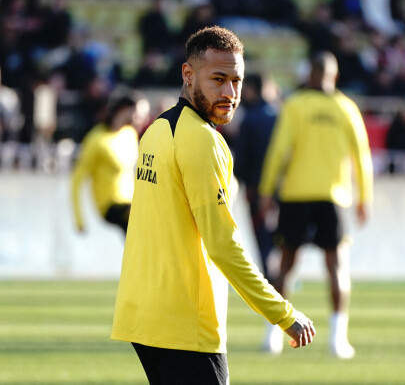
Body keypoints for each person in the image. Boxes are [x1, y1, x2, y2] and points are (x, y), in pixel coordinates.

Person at [111, 26, 316, 385]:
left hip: (143, 317)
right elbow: (223, 245)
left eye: (236, 81)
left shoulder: (157, 130)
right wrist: (282, 313)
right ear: (188, 75)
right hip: (184, 324)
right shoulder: (203, 142)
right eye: (218, 79)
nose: (230, 93)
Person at [259, 51, 373, 359]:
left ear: (309, 74)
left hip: (296, 194)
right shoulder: (346, 108)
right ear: (334, 76)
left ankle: (273, 335)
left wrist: (267, 189)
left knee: (285, 264)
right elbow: (362, 157)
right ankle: (338, 339)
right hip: (333, 196)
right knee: (336, 265)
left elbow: (278, 150)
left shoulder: (295, 105)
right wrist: (365, 197)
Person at [70, 96, 138, 234]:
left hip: (131, 200)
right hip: (109, 204)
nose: (138, 116)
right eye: (134, 111)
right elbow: (77, 179)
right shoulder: (96, 139)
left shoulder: (130, 133)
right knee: (138, 217)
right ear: (122, 110)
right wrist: (78, 218)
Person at [233, 73, 278, 281]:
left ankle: (271, 280)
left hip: (256, 187)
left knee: (262, 236)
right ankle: (282, 277)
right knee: (279, 234)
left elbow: (242, 158)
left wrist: (239, 180)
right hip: (282, 188)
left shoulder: (250, 119)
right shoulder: (280, 116)